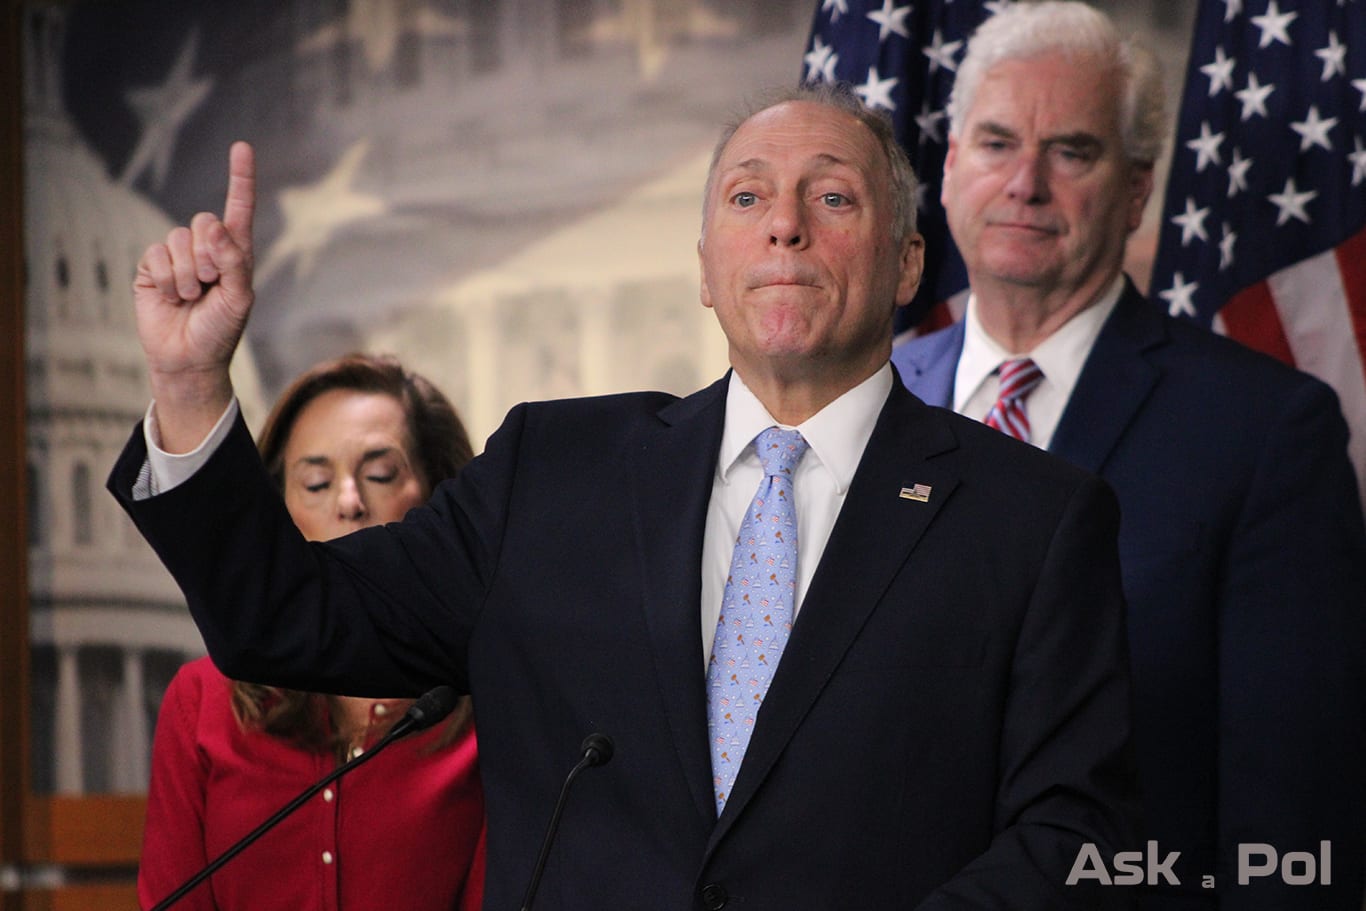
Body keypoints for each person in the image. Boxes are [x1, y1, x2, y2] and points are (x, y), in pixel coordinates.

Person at [111, 83, 1140, 909]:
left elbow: (1072, 835)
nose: (782, 226)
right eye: (745, 197)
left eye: (831, 197)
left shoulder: (1033, 518)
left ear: (907, 259)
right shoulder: (549, 471)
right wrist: (193, 386)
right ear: (704, 268)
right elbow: (286, 616)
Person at [889, 4, 1366, 909]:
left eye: (1071, 152)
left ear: (1139, 190)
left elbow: (1295, 821)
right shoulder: (870, 405)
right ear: (949, 167)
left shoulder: (1266, 433)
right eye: (995, 143)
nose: (1025, 182)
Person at [136, 354, 487, 911]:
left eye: (378, 475)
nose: (349, 502)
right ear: (278, 512)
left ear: (439, 497)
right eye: (317, 482)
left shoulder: (495, 718)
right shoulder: (202, 702)